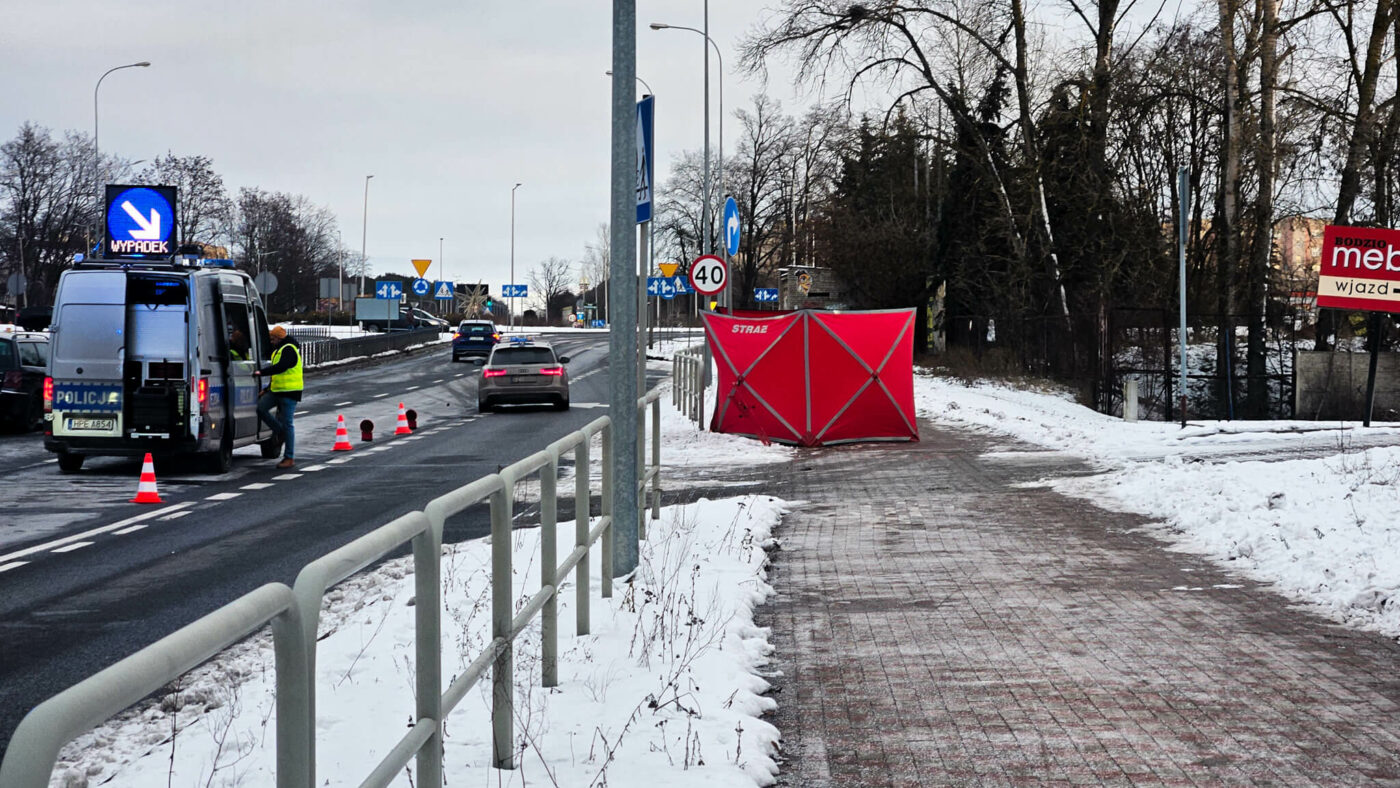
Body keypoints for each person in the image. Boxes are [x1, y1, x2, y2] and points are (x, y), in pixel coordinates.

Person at [256, 325, 302, 469]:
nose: (271, 341)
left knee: (288, 423)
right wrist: (267, 389)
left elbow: (281, 367)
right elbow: (278, 374)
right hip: (276, 391)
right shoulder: (279, 350)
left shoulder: (288, 349)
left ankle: (289, 458)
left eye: (272, 338)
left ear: (278, 338)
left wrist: (261, 372)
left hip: (290, 392)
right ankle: (279, 431)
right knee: (261, 409)